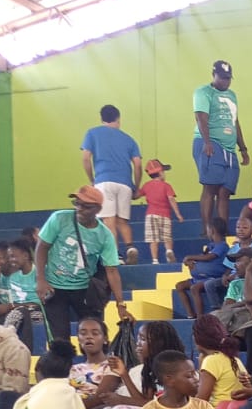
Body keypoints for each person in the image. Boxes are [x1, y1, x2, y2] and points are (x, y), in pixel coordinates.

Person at [36, 187, 129, 342]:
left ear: (98, 209)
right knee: (59, 340)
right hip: (54, 288)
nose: (79, 208)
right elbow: (42, 247)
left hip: (85, 291)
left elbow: (112, 270)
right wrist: (40, 279)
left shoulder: (104, 235)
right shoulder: (59, 218)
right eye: (77, 203)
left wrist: (120, 304)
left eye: (86, 206)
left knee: (92, 336)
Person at [80, 104, 144, 259]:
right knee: (122, 221)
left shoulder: (92, 133)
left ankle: (115, 256)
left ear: (102, 118)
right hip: (125, 184)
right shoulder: (129, 139)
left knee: (109, 220)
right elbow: (137, 164)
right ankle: (130, 247)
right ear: (118, 119)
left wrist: (92, 179)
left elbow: (86, 158)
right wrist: (136, 187)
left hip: (104, 181)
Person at [192, 59, 250, 228]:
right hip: (210, 143)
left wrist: (243, 148)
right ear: (214, 75)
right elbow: (201, 118)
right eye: (222, 77)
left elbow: (235, 121)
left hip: (229, 148)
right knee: (210, 187)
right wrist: (207, 142)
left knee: (225, 191)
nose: (226, 81)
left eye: (228, 78)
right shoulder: (203, 92)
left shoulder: (232, 95)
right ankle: (207, 229)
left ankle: (221, 231)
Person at [177, 216, 232, 318]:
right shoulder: (210, 246)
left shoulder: (222, 246)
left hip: (211, 278)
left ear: (212, 230)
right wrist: (191, 263)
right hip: (198, 278)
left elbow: (209, 257)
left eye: (207, 229)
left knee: (194, 288)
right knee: (179, 286)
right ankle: (190, 314)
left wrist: (190, 257)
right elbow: (202, 257)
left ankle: (200, 317)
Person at [137, 159, 184, 265]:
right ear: (161, 172)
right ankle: (169, 251)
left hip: (150, 215)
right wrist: (178, 214)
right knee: (167, 237)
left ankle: (155, 260)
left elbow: (136, 195)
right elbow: (171, 199)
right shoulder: (166, 186)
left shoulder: (146, 185)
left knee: (153, 239)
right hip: (165, 215)